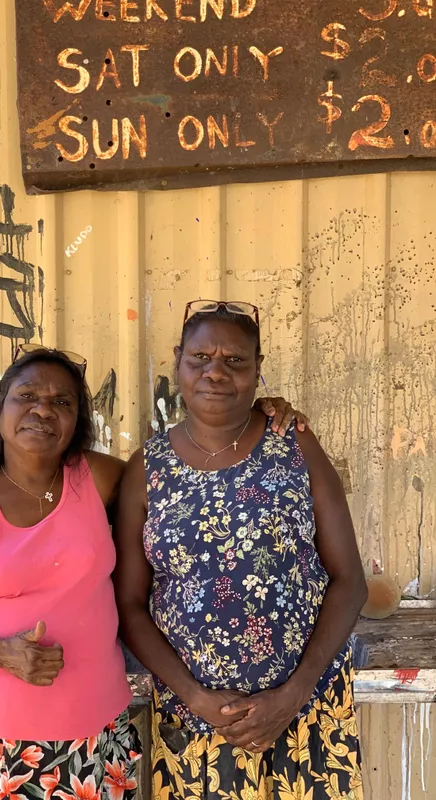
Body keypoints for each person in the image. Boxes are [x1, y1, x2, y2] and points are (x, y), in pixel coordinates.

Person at [0, 342, 305, 800]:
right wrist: (1, 654)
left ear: (77, 422)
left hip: (96, 738)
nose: (43, 411)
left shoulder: (96, 478)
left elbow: (196, 476)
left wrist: (259, 415)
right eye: (27, 396)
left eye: (61, 402)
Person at [114, 300, 368, 800]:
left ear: (257, 372)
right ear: (178, 363)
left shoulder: (293, 444)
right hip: (197, 722)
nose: (215, 372)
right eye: (200, 358)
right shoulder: (148, 467)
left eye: (235, 361)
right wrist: (195, 697)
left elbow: (350, 581)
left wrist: (294, 693)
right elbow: (129, 604)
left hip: (308, 709)